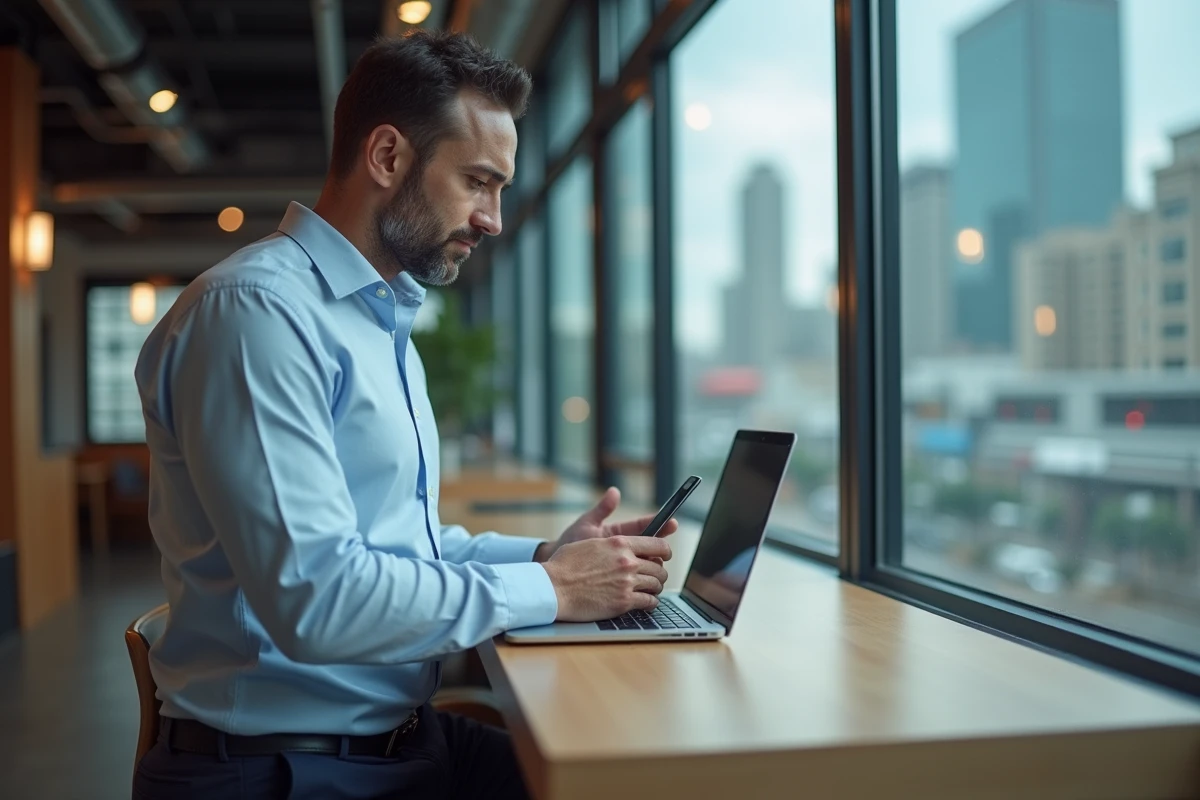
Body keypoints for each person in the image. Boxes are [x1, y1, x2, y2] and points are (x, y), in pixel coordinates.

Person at [132, 30, 674, 800]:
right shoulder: (255, 316)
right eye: (478, 182)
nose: (492, 218)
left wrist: (548, 555)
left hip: (385, 743)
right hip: (281, 771)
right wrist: (555, 590)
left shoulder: (375, 319)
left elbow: (398, 543)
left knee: (625, 777)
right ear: (387, 157)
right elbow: (319, 598)